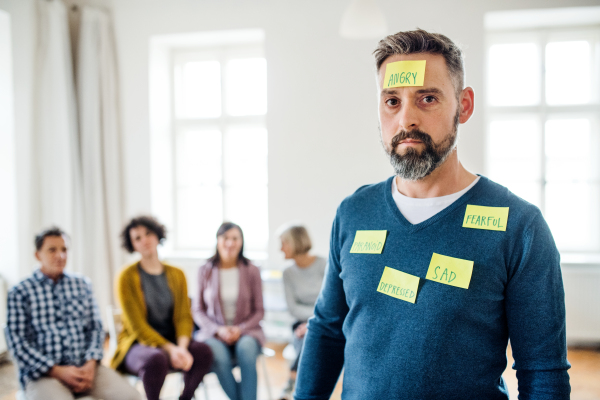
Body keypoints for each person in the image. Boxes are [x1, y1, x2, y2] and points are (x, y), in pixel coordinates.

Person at [294, 29, 570, 400]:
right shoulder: (353, 213)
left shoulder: (519, 226)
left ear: (464, 105)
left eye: (427, 98)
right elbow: (327, 329)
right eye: (392, 101)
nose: (407, 120)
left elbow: (543, 373)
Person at [5, 227, 140, 400]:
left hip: (87, 369)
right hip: (44, 374)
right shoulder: (20, 292)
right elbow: (18, 343)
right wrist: (57, 371)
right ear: (38, 255)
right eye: (52, 250)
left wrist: (91, 364)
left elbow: (96, 328)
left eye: (64, 249)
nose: (60, 255)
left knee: (131, 396)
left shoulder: (82, 285)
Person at [111, 216, 213, 400]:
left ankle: (186, 397)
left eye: (148, 233)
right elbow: (138, 327)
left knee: (203, 352)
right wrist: (171, 350)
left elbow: (184, 316)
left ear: (158, 235)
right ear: (132, 245)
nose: (144, 240)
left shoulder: (177, 274)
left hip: (174, 340)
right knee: (156, 359)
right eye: (137, 238)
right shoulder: (125, 277)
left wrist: (181, 348)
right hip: (138, 345)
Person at [193, 222, 265, 400]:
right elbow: (197, 310)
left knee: (247, 348)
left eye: (235, 238)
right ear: (218, 240)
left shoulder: (252, 270)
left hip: (247, 331)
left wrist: (239, 329)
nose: (230, 243)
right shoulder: (204, 270)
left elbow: (259, 311)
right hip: (213, 333)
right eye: (226, 238)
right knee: (217, 353)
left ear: (241, 242)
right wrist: (219, 330)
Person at [277, 224, 326, 400]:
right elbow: (293, 308)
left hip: (326, 321)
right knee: (305, 337)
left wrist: (315, 321)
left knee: (311, 335)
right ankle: (304, 388)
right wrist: (311, 321)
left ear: (295, 242)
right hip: (300, 324)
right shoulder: (288, 273)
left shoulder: (324, 265)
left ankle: (292, 382)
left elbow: (331, 302)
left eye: (283, 243)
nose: (280, 248)